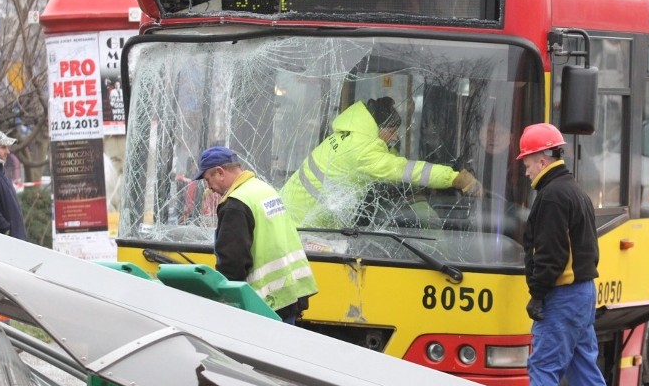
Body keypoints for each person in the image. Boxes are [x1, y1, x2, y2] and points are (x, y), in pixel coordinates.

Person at [517, 123, 612, 386]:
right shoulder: (575, 191)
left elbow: (550, 255)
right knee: (584, 364)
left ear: (542, 161)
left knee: (544, 366)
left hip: (561, 295)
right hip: (582, 294)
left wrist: (538, 294)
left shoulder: (552, 197)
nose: (526, 171)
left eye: (528, 163)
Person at [280, 97, 481, 227]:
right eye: (391, 132)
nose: (394, 137)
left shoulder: (351, 134)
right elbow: (405, 169)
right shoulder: (362, 152)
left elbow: (382, 157)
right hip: (303, 224)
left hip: (294, 212)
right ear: (378, 128)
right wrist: (455, 178)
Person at [194, 146, 318, 324]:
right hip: (291, 294)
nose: (209, 188)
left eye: (208, 180)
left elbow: (232, 264)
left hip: (264, 303)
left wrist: (223, 303)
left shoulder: (235, 204)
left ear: (220, 172)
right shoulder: (263, 189)